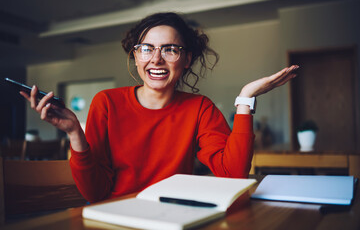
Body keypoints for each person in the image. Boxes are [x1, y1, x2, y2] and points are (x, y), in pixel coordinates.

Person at [20, 12, 299, 203]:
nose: (156, 59)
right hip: (115, 216)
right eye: (146, 48)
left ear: (186, 59)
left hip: (175, 215)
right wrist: (74, 134)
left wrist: (245, 98)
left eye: (169, 49)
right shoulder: (106, 102)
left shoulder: (200, 108)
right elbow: (95, 192)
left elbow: (234, 174)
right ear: (136, 56)